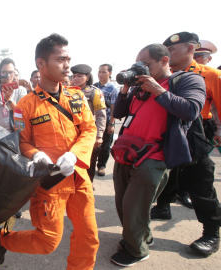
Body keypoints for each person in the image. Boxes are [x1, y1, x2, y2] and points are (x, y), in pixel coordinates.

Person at [0, 33, 99, 269]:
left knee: (88, 238)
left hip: (78, 176)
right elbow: (22, 143)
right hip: (50, 182)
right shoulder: (25, 106)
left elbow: (89, 129)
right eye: (61, 59)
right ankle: (3, 239)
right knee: (47, 241)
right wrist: (36, 155)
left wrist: (74, 154)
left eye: (68, 58)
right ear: (41, 63)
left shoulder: (77, 96)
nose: (67, 65)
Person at [111, 43, 205, 266]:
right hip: (127, 152)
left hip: (154, 156)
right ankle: (140, 237)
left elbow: (191, 110)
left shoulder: (187, 80)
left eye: (145, 64)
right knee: (123, 204)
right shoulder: (140, 86)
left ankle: (137, 250)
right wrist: (126, 88)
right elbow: (118, 114)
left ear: (164, 61)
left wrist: (158, 90)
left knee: (134, 208)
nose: (140, 69)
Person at [151, 32, 221, 257]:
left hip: (195, 129)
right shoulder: (162, 74)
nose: (167, 54)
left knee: (199, 181)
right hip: (165, 128)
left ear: (191, 48)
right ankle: (163, 207)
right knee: (169, 175)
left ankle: (211, 233)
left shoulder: (210, 75)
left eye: (172, 50)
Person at [71, 64, 107, 183]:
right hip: (71, 134)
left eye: (80, 76)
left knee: (89, 163)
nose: (76, 79)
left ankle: (88, 185)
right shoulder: (67, 91)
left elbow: (101, 115)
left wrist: (99, 135)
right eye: (74, 76)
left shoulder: (94, 92)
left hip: (88, 134)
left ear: (87, 77)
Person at [0, 58, 27, 131]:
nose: (8, 75)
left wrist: (9, 100)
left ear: (14, 72)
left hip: (16, 134)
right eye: (4, 72)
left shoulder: (21, 91)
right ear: (0, 73)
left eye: (10, 72)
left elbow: (23, 114)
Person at [93, 64, 119, 176]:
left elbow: (114, 107)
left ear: (110, 73)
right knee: (93, 145)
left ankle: (101, 166)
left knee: (105, 145)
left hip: (107, 120)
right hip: (94, 121)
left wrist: (111, 124)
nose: (100, 74)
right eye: (99, 72)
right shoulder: (94, 87)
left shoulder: (113, 89)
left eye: (103, 72)